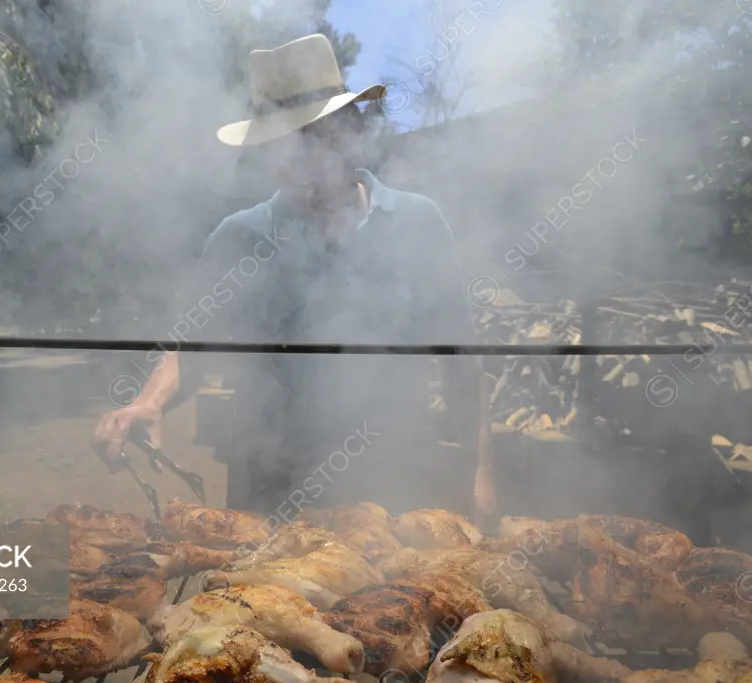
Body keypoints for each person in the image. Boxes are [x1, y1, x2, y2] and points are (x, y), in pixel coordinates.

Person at [94, 34, 495, 526]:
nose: (298, 158)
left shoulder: (418, 222)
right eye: (282, 143)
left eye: (315, 137)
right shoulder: (238, 237)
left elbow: (461, 361)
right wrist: (147, 403)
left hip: (393, 492)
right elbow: (193, 348)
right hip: (266, 497)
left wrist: (480, 474)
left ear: (351, 129)